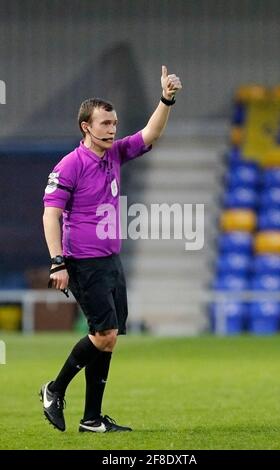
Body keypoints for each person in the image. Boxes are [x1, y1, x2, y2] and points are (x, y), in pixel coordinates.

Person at [40, 65, 182, 433]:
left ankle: (91, 420)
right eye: (105, 123)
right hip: (83, 261)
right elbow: (50, 215)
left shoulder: (115, 154)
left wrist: (166, 99)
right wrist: (58, 262)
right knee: (103, 335)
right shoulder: (70, 164)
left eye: (115, 123)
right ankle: (54, 389)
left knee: (109, 339)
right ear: (86, 126)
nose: (113, 129)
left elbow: (151, 133)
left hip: (109, 260)